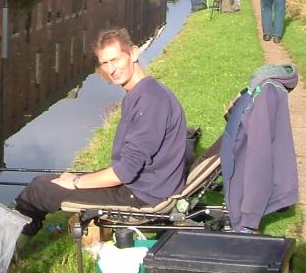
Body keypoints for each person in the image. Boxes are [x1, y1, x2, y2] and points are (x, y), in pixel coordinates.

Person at [14, 27, 188, 236]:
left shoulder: (149, 102)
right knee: (49, 181)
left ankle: (10, 248)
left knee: (38, 191)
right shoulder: (144, 93)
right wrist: (76, 179)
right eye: (105, 63)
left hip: (144, 196)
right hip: (145, 184)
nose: (110, 69)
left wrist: (77, 182)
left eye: (115, 60)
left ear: (133, 53)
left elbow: (124, 172)